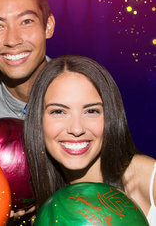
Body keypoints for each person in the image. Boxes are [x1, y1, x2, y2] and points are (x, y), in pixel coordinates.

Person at [24, 55, 156, 224]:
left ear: (110, 117)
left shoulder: (147, 178)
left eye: (91, 111)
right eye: (58, 112)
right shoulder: (34, 201)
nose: (77, 129)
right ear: (38, 120)